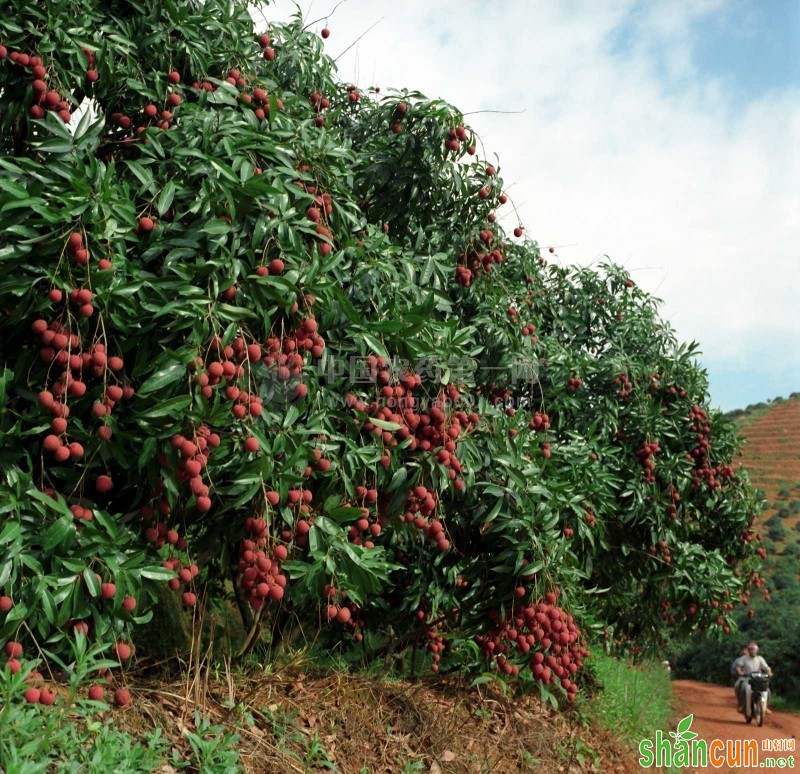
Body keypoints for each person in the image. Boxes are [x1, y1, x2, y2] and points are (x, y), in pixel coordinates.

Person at [734, 642, 772, 716]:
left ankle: (765, 706)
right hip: (746, 678)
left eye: (754, 650)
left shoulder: (759, 659)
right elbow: (738, 667)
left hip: (758, 679)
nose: (753, 652)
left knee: (767, 690)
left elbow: (767, 667)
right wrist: (740, 672)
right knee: (740, 687)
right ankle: (741, 705)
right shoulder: (743, 658)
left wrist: (769, 672)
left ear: (757, 650)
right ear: (749, 650)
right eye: (751, 650)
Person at [731, 644, 749, 710]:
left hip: (755, 678)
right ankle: (741, 704)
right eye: (743, 650)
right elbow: (733, 670)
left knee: (765, 688)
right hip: (743, 678)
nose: (744, 652)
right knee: (737, 686)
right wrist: (739, 673)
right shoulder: (738, 660)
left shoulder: (757, 659)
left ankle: (764, 705)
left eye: (746, 650)